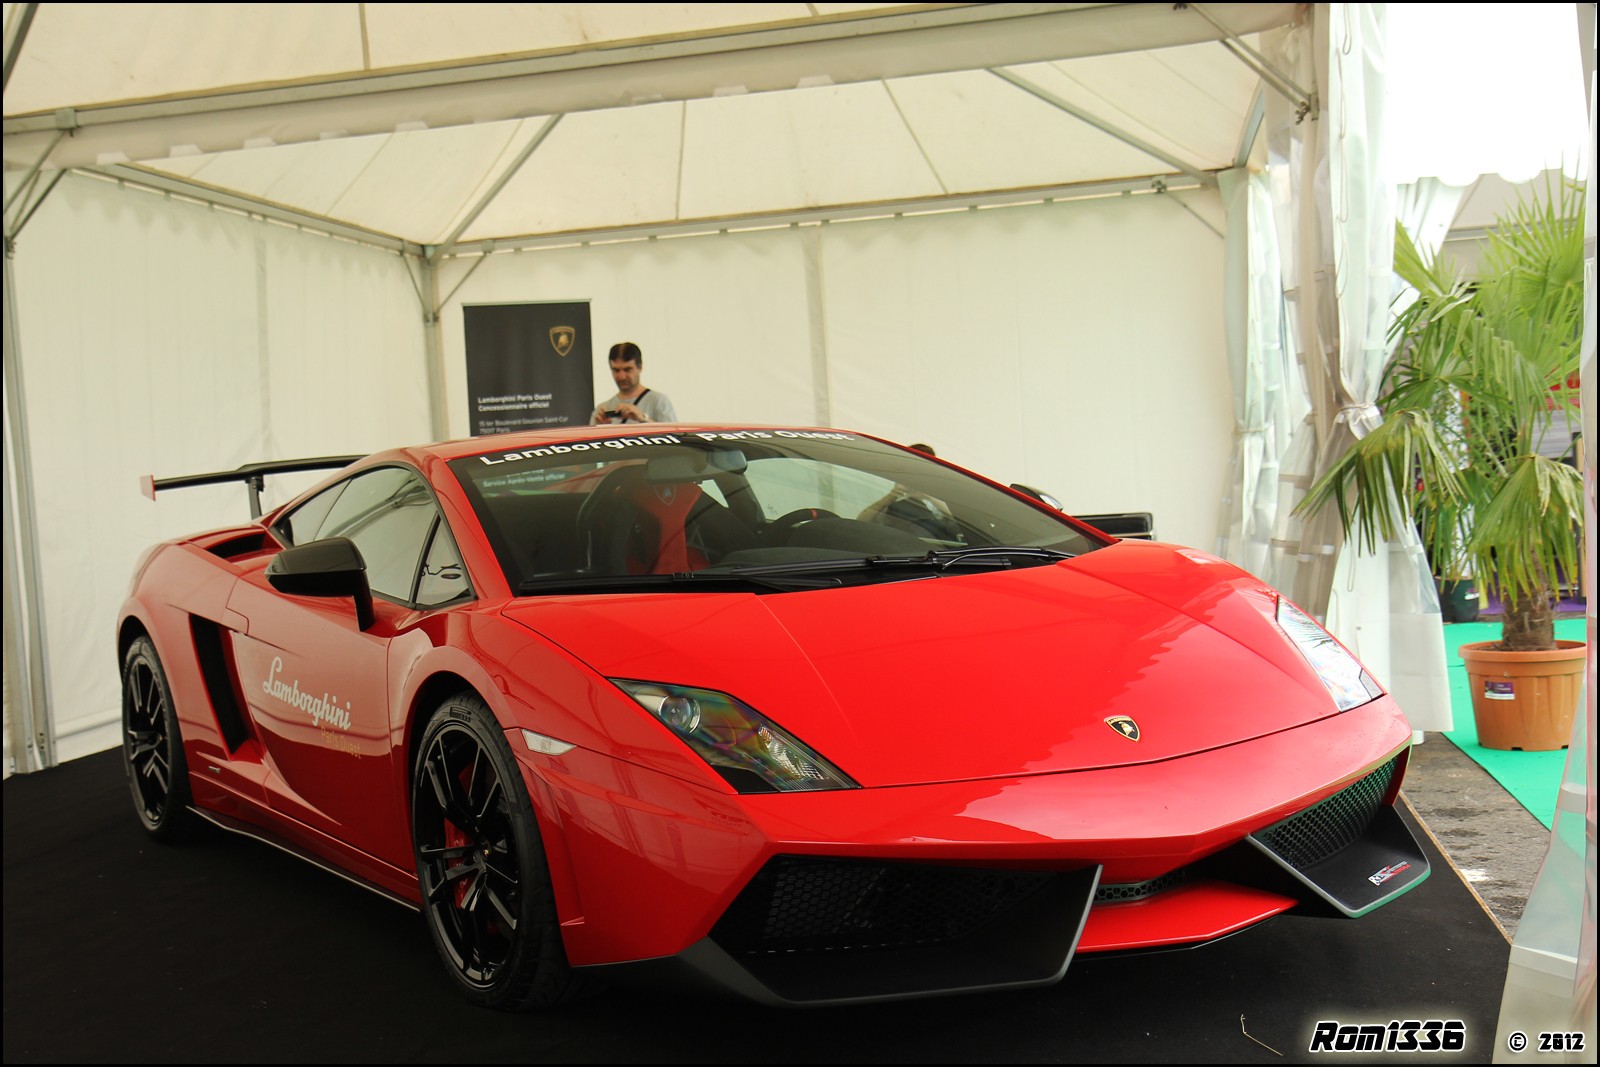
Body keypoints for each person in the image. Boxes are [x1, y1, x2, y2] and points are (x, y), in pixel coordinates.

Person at [591, 341, 678, 425]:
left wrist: (643, 418)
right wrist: (601, 429)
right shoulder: (602, 410)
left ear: (640, 367)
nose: (622, 376)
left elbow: (674, 437)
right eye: (616, 370)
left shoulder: (659, 401)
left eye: (627, 369)